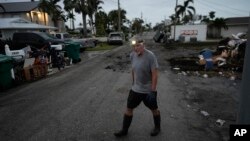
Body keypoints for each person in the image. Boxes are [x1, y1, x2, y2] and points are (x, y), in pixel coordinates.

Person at [114, 38, 161, 137]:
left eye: (138, 45)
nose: (136, 48)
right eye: (134, 46)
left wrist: (153, 90)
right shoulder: (132, 55)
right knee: (129, 108)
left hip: (148, 90)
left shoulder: (150, 56)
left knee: (154, 109)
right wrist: (133, 83)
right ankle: (124, 130)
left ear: (144, 45)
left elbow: (155, 74)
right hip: (136, 89)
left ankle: (157, 127)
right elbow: (133, 70)